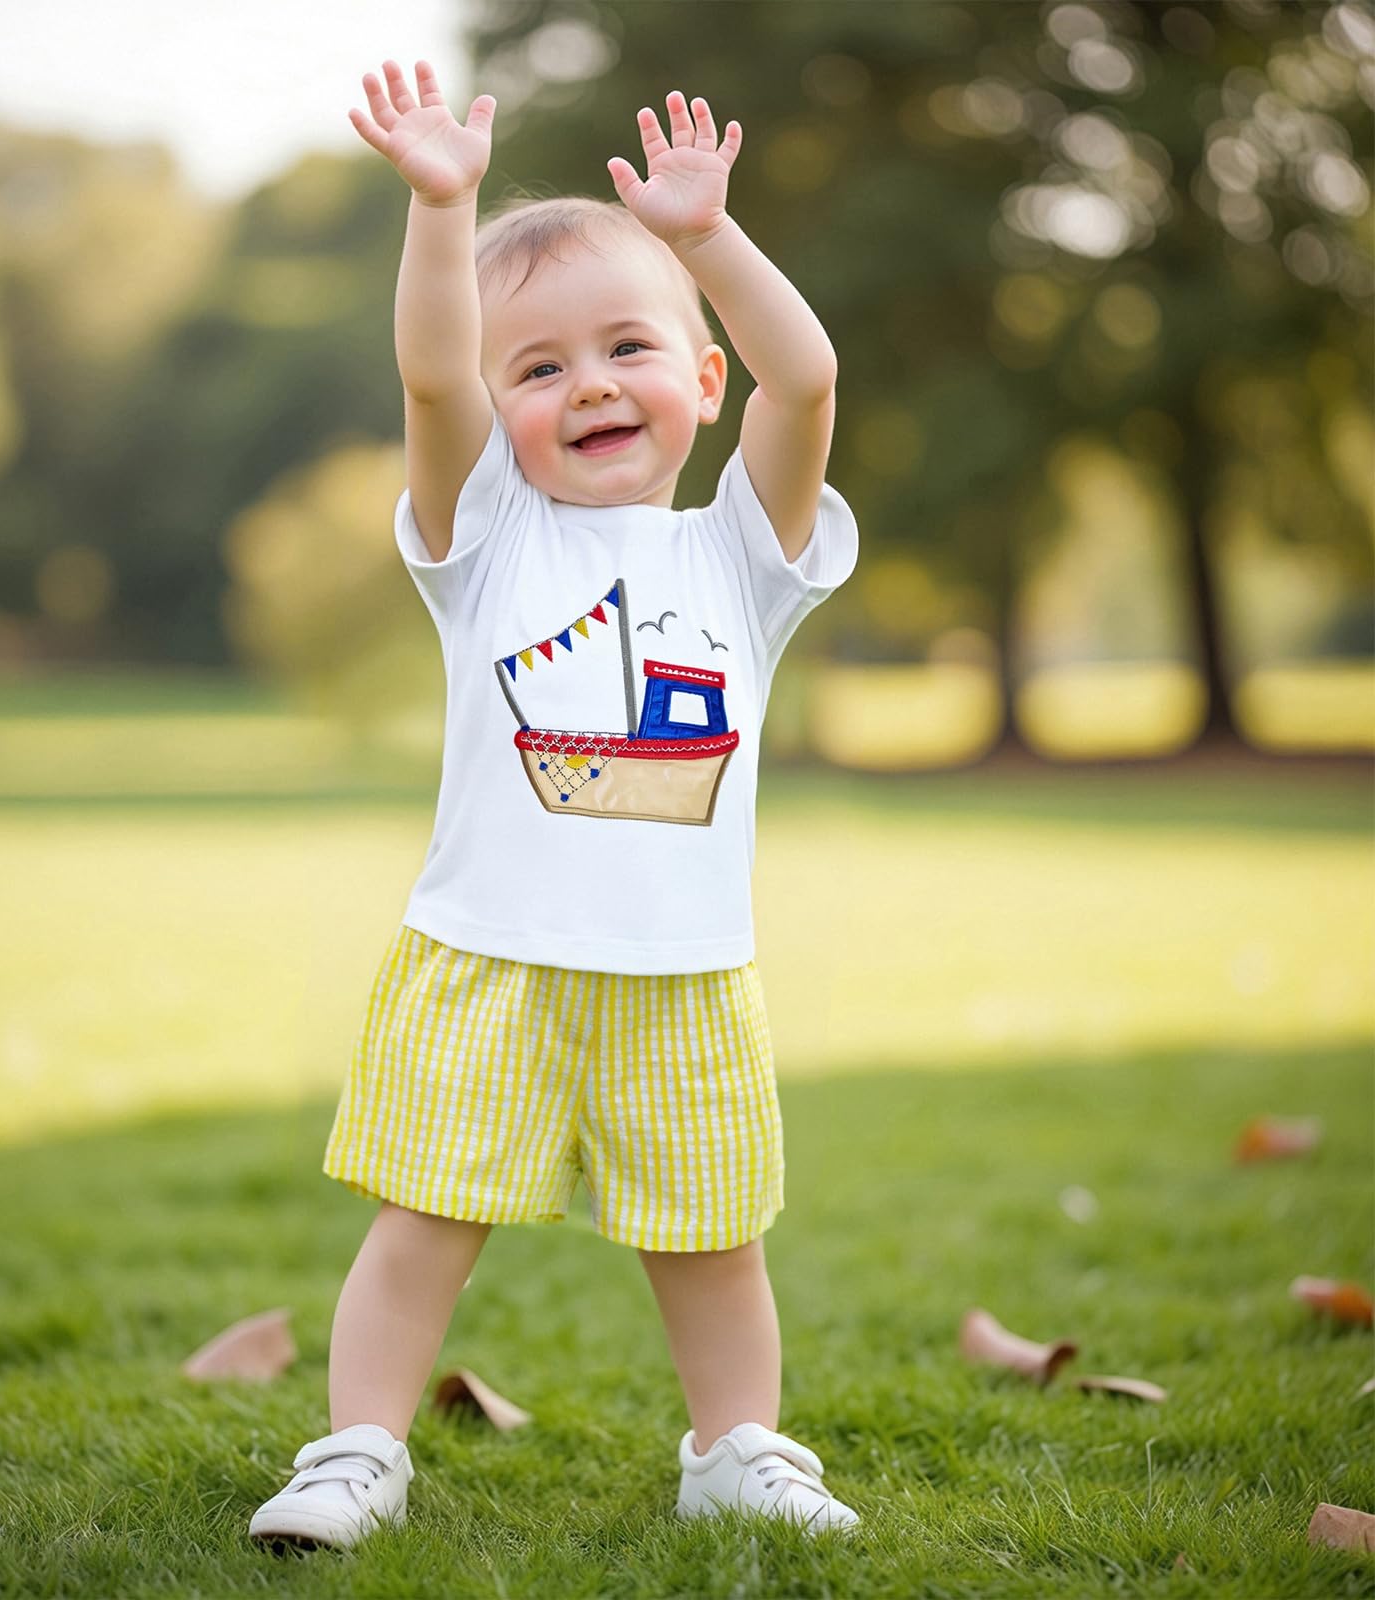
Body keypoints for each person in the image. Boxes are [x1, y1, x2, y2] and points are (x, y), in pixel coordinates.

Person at [249, 59, 861, 1552]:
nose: (585, 383)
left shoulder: (742, 556)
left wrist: (706, 244)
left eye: (628, 348)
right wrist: (442, 208)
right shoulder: (487, 544)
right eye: (543, 370)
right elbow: (434, 373)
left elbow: (812, 377)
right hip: (490, 959)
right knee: (423, 1228)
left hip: (688, 976)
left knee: (716, 1243)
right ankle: (356, 1454)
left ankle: (736, 1447)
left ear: (701, 385)